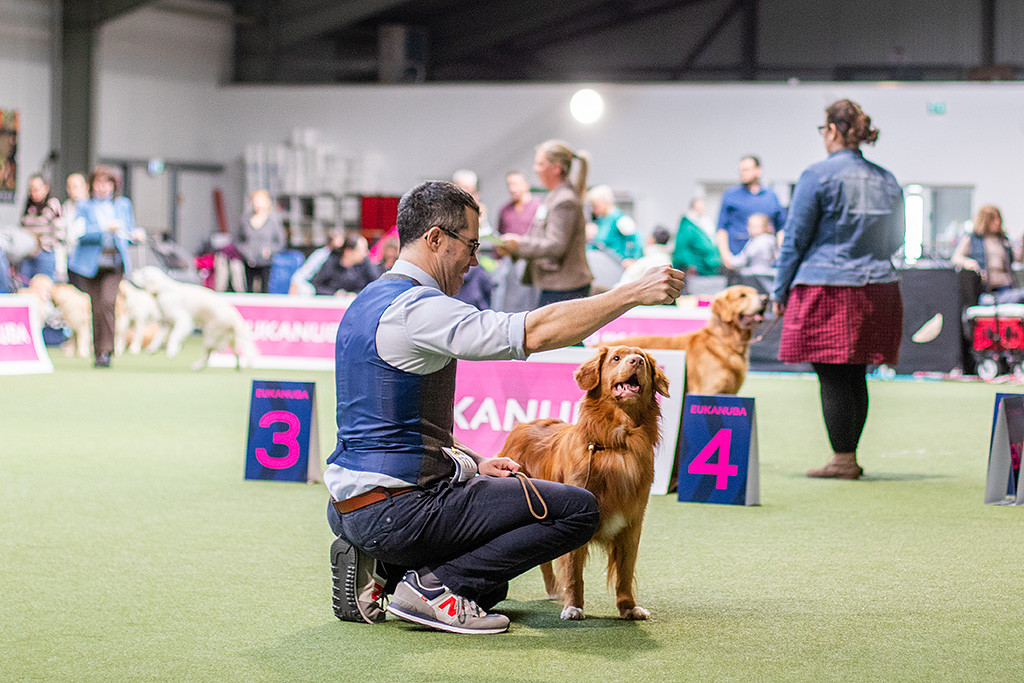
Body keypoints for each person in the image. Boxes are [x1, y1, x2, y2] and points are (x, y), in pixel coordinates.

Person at [325, 181, 685, 634]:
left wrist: (475, 461)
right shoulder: (419, 308)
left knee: (491, 587)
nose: (474, 261)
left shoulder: (365, 302)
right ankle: (433, 588)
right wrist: (629, 293)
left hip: (350, 506)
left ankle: (384, 569)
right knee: (580, 509)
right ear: (435, 238)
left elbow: (392, 421)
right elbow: (533, 331)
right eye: (470, 245)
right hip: (401, 510)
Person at [772, 99, 905, 480]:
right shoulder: (887, 179)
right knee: (857, 373)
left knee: (831, 375)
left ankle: (843, 459)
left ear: (831, 130)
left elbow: (795, 239)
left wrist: (780, 290)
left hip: (827, 286)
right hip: (878, 285)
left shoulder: (817, 175)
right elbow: (898, 238)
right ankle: (848, 456)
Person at [498, 139, 594, 307]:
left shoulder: (564, 200)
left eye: (540, 164)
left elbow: (556, 245)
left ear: (556, 168)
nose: (535, 169)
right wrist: (514, 248)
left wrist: (519, 245)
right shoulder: (554, 197)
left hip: (565, 287)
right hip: (557, 285)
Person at [68, 166, 137, 368]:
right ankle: (98, 352)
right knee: (96, 307)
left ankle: (106, 350)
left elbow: (128, 231)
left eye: (107, 183)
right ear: (92, 185)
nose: (103, 187)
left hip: (114, 263)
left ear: (114, 185)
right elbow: (79, 234)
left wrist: (135, 235)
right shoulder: (84, 206)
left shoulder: (123, 205)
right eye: (98, 183)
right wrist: (103, 230)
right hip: (90, 265)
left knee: (108, 302)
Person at [716, 155, 786, 269]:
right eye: (741, 170)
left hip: (765, 264)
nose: (742, 173)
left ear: (758, 171)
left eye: (746, 169)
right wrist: (725, 256)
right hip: (736, 261)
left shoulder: (771, 196)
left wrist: (781, 254)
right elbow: (721, 228)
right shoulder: (731, 195)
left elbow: (781, 228)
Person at [493, 171, 541, 312]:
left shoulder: (538, 207)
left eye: (516, 184)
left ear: (526, 185)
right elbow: (499, 233)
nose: (512, 188)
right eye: (510, 185)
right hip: (508, 261)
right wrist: (497, 258)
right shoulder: (505, 209)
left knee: (528, 303)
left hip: (529, 261)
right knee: (505, 301)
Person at [950, 205, 1013, 294]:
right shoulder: (972, 239)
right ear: (985, 221)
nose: (997, 222)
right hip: (983, 286)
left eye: (998, 219)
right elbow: (956, 258)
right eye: (993, 219)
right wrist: (968, 262)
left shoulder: (1003, 240)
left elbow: (1014, 259)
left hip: (1005, 285)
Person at [236, 189, 285, 293]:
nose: (257, 204)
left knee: (264, 290)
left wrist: (270, 250)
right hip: (249, 261)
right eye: (255, 201)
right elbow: (238, 240)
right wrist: (245, 251)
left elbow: (281, 242)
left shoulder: (273, 221)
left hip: (265, 263)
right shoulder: (245, 220)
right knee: (248, 290)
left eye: (259, 201)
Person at [19, 174, 63, 283]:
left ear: (46, 188)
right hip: (28, 253)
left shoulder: (52, 204)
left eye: (37, 189)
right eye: (31, 190)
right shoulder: (29, 206)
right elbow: (22, 227)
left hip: (45, 253)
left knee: (43, 285)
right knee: (25, 285)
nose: (34, 193)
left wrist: (43, 246)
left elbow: (59, 232)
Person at [586, 184, 642, 265]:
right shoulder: (601, 221)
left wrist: (632, 259)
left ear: (606, 202)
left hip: (616, 265)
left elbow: (637, 239)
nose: (593, 210)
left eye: (596, 206)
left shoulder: (620, 219)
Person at [310, 233, 379, 296]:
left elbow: (375, 285)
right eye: (362, 250)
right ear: (348, 252)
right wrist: (335, 294)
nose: (366, 253)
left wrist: (356, 294)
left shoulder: (365, 264)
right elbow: (316, 285)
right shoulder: (331, 263)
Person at [672, 198, 721, 276]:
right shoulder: (687, 227)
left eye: (703, 207)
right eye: (699, 207)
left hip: (709, 268)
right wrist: (690, 265)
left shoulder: (705, 223)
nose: (702, 209)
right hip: (697, 270)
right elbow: (682, 249)